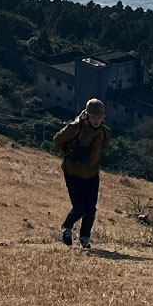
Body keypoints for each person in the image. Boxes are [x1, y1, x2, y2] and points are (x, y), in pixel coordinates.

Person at [53, 97, 109, 252]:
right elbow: (58, 140)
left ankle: (85, 238)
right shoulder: (75, 128)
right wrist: (70, 154)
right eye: (94, 117)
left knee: (91, 208)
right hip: (73, 172)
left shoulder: (105, 133)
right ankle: (66, 227)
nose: (97, 120)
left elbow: (102, 150)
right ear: (87, 115)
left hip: (92, 173)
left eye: (99, 117)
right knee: (79, 208)